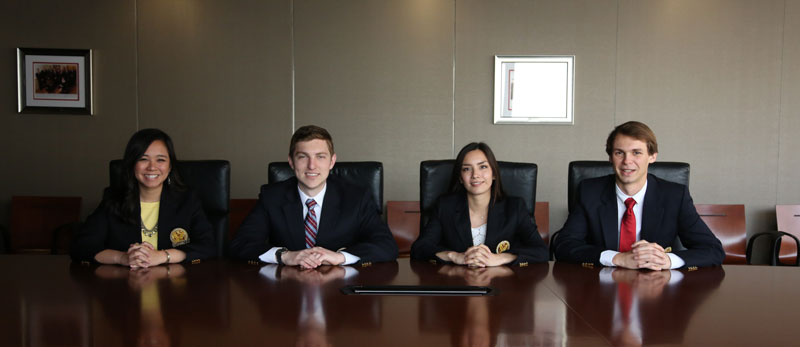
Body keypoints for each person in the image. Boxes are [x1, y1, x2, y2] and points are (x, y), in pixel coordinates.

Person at [553, 121, 724, 270]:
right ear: (610, 158)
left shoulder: (674, 196)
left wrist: (667, 260)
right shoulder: (590, 192)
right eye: (619, 153)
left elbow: (713, 250)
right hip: (600, 287)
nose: (627, 161)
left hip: (657, 289)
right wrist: (617, 258)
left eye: (636, 152)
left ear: (652, 156)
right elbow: (564, 246)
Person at [228, 125, 398, 268]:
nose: (312, 165)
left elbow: (386, 246)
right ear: (291, 162)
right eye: (303, 157)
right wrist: (285, 256)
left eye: (320, 157)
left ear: (332, 161)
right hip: (285, 292)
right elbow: (240, 245)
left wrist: (340, 257)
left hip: (341, 293)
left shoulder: (356, 198)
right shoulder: (272, 197)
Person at [71, 129, 215, 268]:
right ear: (132, 165)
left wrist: (163, 256)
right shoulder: (113, 199)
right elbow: (81, 246)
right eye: (143, 159)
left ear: (170, 166)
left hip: (174, 285)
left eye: (160, 160)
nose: (152, 167)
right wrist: (123, 258)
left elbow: (208, 245)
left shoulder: (187, 200)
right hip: (125, 286)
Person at [410, 142, 548, 266]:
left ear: (494, 174)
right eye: (467, 169)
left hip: (503, 285)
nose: (475, 175)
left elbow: (541, 251)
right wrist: (454, 256)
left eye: (483, 167)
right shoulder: (445, 206)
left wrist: (500, 258)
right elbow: (420, 249)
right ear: (460, 178)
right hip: (456, 284)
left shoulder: (514, 207)